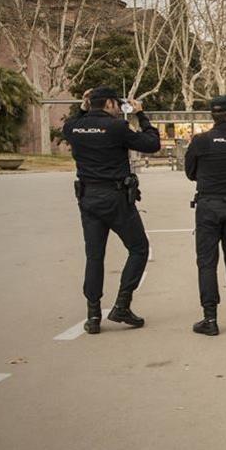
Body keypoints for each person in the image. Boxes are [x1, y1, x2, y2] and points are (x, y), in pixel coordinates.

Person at [63, 86, 160, 334]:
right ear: (107, 103)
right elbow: (151, 144)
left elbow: (73, 121)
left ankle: (93, 315)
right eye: (116, 103)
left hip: (88, 197)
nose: (118, 107)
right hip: (116, 198)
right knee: (139, 248)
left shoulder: (74, 127)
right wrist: (141, 115)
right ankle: (122, 304)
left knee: (94, 256)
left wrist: (83, 107)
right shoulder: (116, 127)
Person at [184, 95, 226, 336]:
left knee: (206, 262)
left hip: (208, 205)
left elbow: (190, 172)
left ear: (212, 115)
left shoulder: (201, 141)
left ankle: (210, 319)